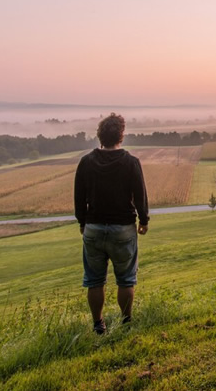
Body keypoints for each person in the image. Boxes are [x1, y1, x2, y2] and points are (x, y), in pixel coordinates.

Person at [74, 113, 149, 334]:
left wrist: (82, 222)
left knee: (94, 280)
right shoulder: (131, 162)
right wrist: (143, 220)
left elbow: (79, 196)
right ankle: (126, 322)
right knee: (126, 279)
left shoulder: (86, 162)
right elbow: (140, 195)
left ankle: (98, 325)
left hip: (93, 228)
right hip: (123, 228)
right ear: (121, 136)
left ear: (100, 136)